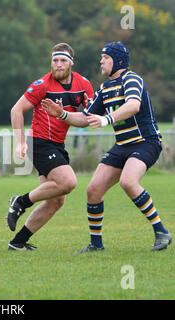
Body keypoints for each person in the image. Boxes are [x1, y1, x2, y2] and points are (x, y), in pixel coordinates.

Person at [42, 41, 172, 252]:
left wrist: (106, 119)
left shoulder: (132, 79)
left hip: (145, 142)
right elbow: (85, 118)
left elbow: (133, 105)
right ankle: (96, 245)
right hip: (122, 145)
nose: (101, 61)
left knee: (128, 182)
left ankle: (161, 232)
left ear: (118, 60)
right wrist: (63, 114)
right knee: (93, 189)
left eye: (105, 58)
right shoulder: (105, 88)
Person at [6, 43, 94, 251]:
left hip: (57, 145)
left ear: (71, 62)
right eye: (55, 60)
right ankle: (20, 201)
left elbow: (88, 118)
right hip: (39, 142)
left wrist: (65, 114)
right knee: (69, 182)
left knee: (56, 201)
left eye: (63, 60)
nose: (58, 64)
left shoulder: (83, 85)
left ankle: (18, 242)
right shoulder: (42, 85)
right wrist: (19, 143)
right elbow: (16, 110)